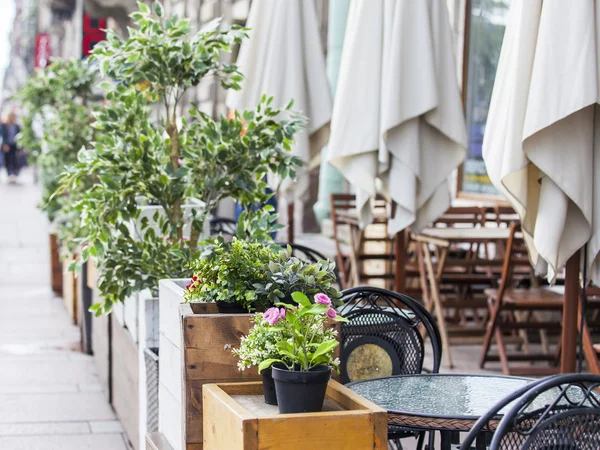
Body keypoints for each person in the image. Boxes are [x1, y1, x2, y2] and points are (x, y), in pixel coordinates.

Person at [2, 112, 21, 183]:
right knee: (7, 160)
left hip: (15, 145)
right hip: (7, 145)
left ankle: (14, 175)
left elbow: (19, 136)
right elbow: (3, 136)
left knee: (14, 160)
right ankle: (9, 175)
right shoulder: (4, 125)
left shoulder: (16, 126)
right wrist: (5, 144)